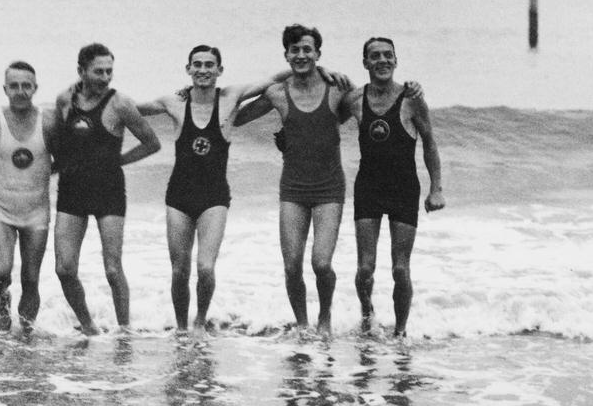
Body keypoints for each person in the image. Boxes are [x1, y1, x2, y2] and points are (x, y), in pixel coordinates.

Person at [138, 45, 350, 333]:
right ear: (188, 69)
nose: (203, 70)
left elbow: (271, 79)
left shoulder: (230, 98)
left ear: (219, 70)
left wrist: (319, 70)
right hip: (178, 196)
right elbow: (132, 111)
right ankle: (181, 329)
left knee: (205, 268)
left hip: (214, 197)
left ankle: (199, 322)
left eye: (209, 65)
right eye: (197, 65)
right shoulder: (173, 103)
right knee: (179, 271)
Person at [52, 43, 162, 334]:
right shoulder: (64, 99)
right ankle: (88, 326)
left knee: (112, 269)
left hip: (108, 191)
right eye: (98, 71)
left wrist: (119, 161)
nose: (105, 77)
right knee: (64, 269)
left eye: (109, 71)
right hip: (71, 190)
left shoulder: (120, 104)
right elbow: (59, 144)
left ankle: (124, 330)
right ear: (81, 71)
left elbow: (152, 142)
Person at [340, 36, 444, 337]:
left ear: (396, 61)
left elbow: (430, 143)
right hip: (368, 188)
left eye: (388, 55)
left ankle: (400, 333)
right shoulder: (355, 100)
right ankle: (367, 314)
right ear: (365, 63)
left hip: (404, 189)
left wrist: (436, 188)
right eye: (375, 56)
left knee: (400, 269)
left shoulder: (411, 99)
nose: (382, 60)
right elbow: (326, 121)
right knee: (365, 269)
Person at [0, 61, 57, 333]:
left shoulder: (49, 123)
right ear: (5, 88)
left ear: (35, 88)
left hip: (37, 210)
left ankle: (26, 336)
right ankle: (2, 296)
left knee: (31, 278)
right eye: (14, 86)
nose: (20, 91)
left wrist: (38, 180)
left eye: (26, 86)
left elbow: (64, 161)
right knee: (3, 272)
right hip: (0, 209)